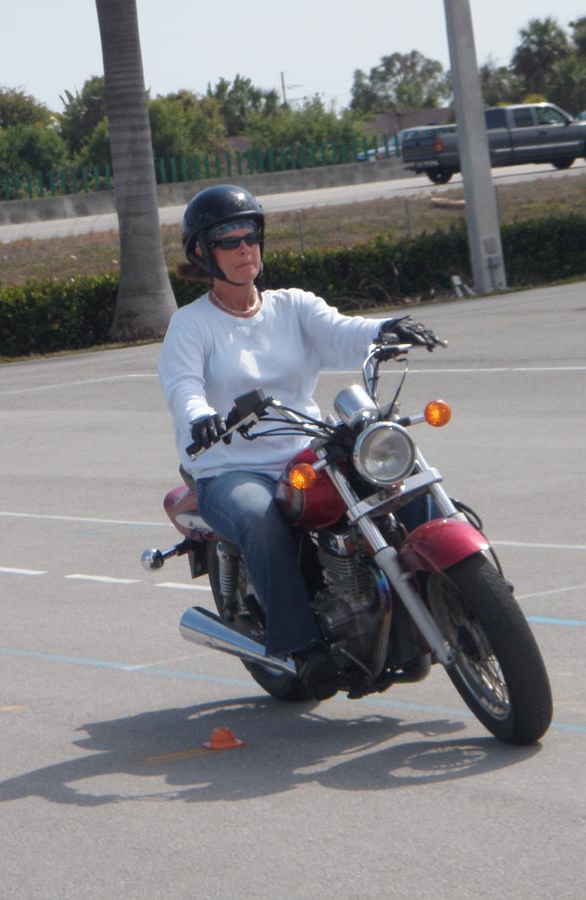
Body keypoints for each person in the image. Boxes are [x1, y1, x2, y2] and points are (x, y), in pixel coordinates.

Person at [157, 184, 430, 699]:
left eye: (250, 235)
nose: (244, 248)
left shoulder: (292, 306)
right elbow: (183, 386)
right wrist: (201, 418)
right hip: (231, 467)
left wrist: (386, 330)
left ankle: (454, 584)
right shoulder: (191, 325)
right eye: (228, 240)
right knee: (260, 519)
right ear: (203, 252)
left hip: (306, 448)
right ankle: (301, 647)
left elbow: (343, 331)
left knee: (398, 471)